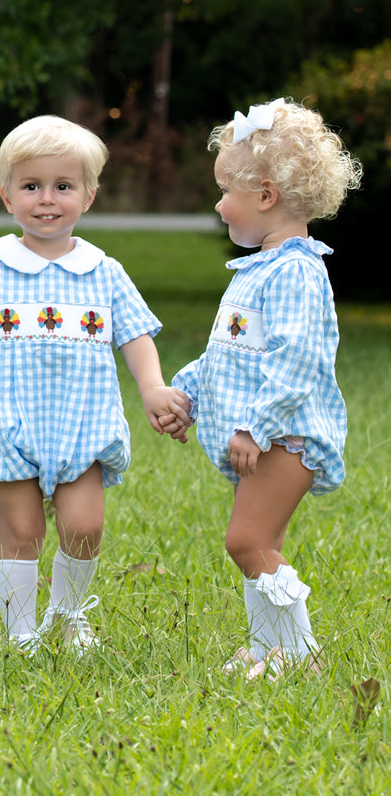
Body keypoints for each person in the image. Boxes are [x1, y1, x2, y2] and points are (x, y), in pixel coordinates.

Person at [0, 116, 190, 652]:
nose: (47, 199)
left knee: (84, 528)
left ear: (88, 195)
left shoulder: (102, 270)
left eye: (63, 186)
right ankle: (20, 633)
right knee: (23, 533)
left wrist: (152, 387)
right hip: (5, 422)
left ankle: (68, 615)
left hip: (80, 420)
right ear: (6, 196)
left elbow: (135, 335)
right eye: (31, 186)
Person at [169, 98, 362, 679]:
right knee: (258, 541)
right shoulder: (262, 268)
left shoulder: (298, 272)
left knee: (246, 539)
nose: (219, 202)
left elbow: (300, 360)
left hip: (287, 436)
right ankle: (265, 645)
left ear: (266, 196)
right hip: (265, 435)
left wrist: (258, 424)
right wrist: (188, 394)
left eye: (226, 189)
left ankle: (299, 653)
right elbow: (229, 356)